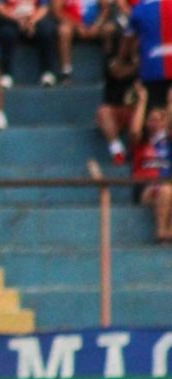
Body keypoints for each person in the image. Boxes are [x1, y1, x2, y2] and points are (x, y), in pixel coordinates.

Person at [128, 80, 172, 241]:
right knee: (167, 189)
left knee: (168, 189)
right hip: (145, 188)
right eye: (151, 119)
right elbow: (134, 132)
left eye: (159, 119)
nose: (155, 123)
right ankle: (162, 231)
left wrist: (170, 102)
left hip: (166, 185)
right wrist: (143, 100)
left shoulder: (168, 143)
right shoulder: (143, 142)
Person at [96, 14, 137, 163]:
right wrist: (135, 64)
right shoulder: (111, 57)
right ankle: (117, 150)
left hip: (134, 109)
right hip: (115, 108)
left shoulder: (141, 54)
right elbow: (118, 71)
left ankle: (135, 152)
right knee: (103, 112)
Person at [0, 0, 59, 88]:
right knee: (6, 33)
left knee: (46, 30)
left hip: (34, 19)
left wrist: (31, 21)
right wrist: (17, 19)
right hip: (10, 19)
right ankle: (6, 74)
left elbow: (44, 8)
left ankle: (48, 72)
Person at [125, 0, 172, 109]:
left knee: (156, 113)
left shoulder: (140, 8)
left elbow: (128, 38)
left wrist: (123, 59)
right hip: (154, 70)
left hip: (152, 70)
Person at [53, 0, 109, 82]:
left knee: (109, 30)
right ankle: (66, 71)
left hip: (94, 24)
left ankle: (108, 68)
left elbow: (105, 9)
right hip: (72, 23)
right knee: (64, 31)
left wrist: (97, 25)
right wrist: (77, 25)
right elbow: (57, 11)